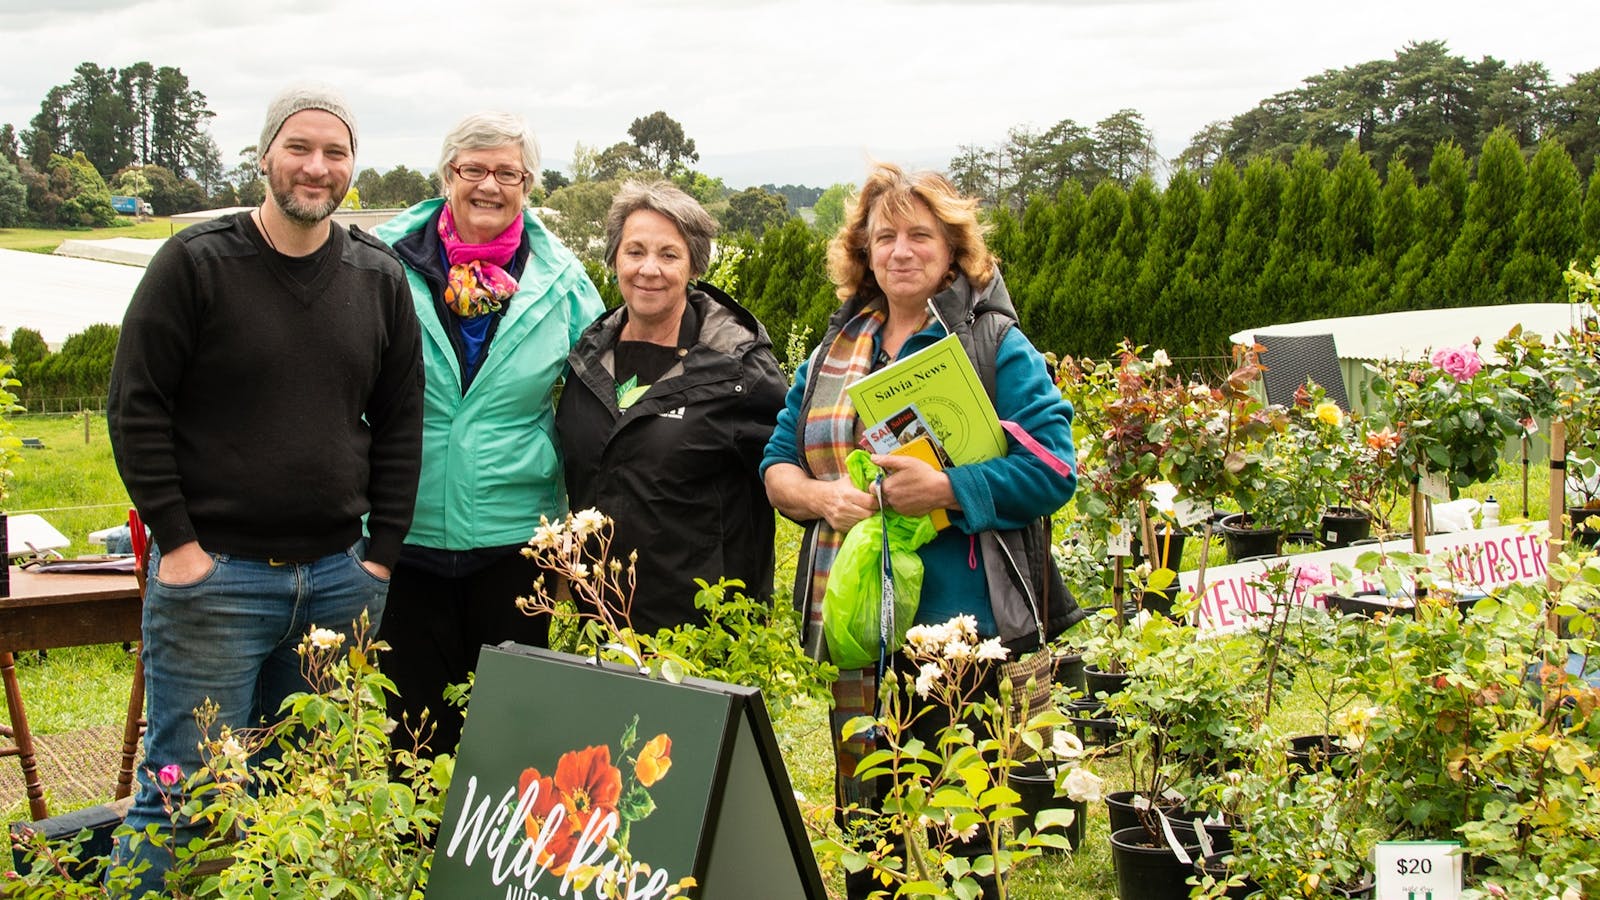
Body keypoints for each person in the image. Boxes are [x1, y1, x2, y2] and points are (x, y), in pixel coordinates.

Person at [107, 83, 423, 893]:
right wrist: (177, 546)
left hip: (336, 584)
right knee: (182, 799)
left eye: (335, 152)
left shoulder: (378, 277)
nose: (317, 168)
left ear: (353, 167)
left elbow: (400, 424)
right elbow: (136, 408)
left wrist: (379, 558)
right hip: (216, 580)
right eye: (300, 148)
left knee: (305, 797)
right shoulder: (197, 264)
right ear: (265, 156)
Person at [760, 163, 1080, 900]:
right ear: (864, 253)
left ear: (953, 248)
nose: (901, 250)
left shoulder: (993, 345)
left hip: (956, 629)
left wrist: (949, 487)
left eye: (920, 235)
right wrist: (820, 496)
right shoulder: (833, 352)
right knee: (867, 821)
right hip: (859, 625)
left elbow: (1054, 469)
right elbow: (777, 464)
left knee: (960, 827)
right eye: (885, 237)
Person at [373, 112, 603, 756]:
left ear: (528, 183)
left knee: (509, 733)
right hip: (404, 529)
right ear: (448, 174)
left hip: (515, 540)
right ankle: (414, 854)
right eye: (473, 169)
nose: (489, 185)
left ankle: (495, 855)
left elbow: (599, 394)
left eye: (508, 172)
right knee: (408, 731)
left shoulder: (562, 281)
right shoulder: (381, 264)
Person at [556, 180, 786, 634]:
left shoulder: (739, 370)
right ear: (614, 258)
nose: (649, 269)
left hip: (703, 631)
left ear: (694, 264)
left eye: (668, 254)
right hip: (603, 619)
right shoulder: (587, 357)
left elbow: (792, 466)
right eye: (635, 251)